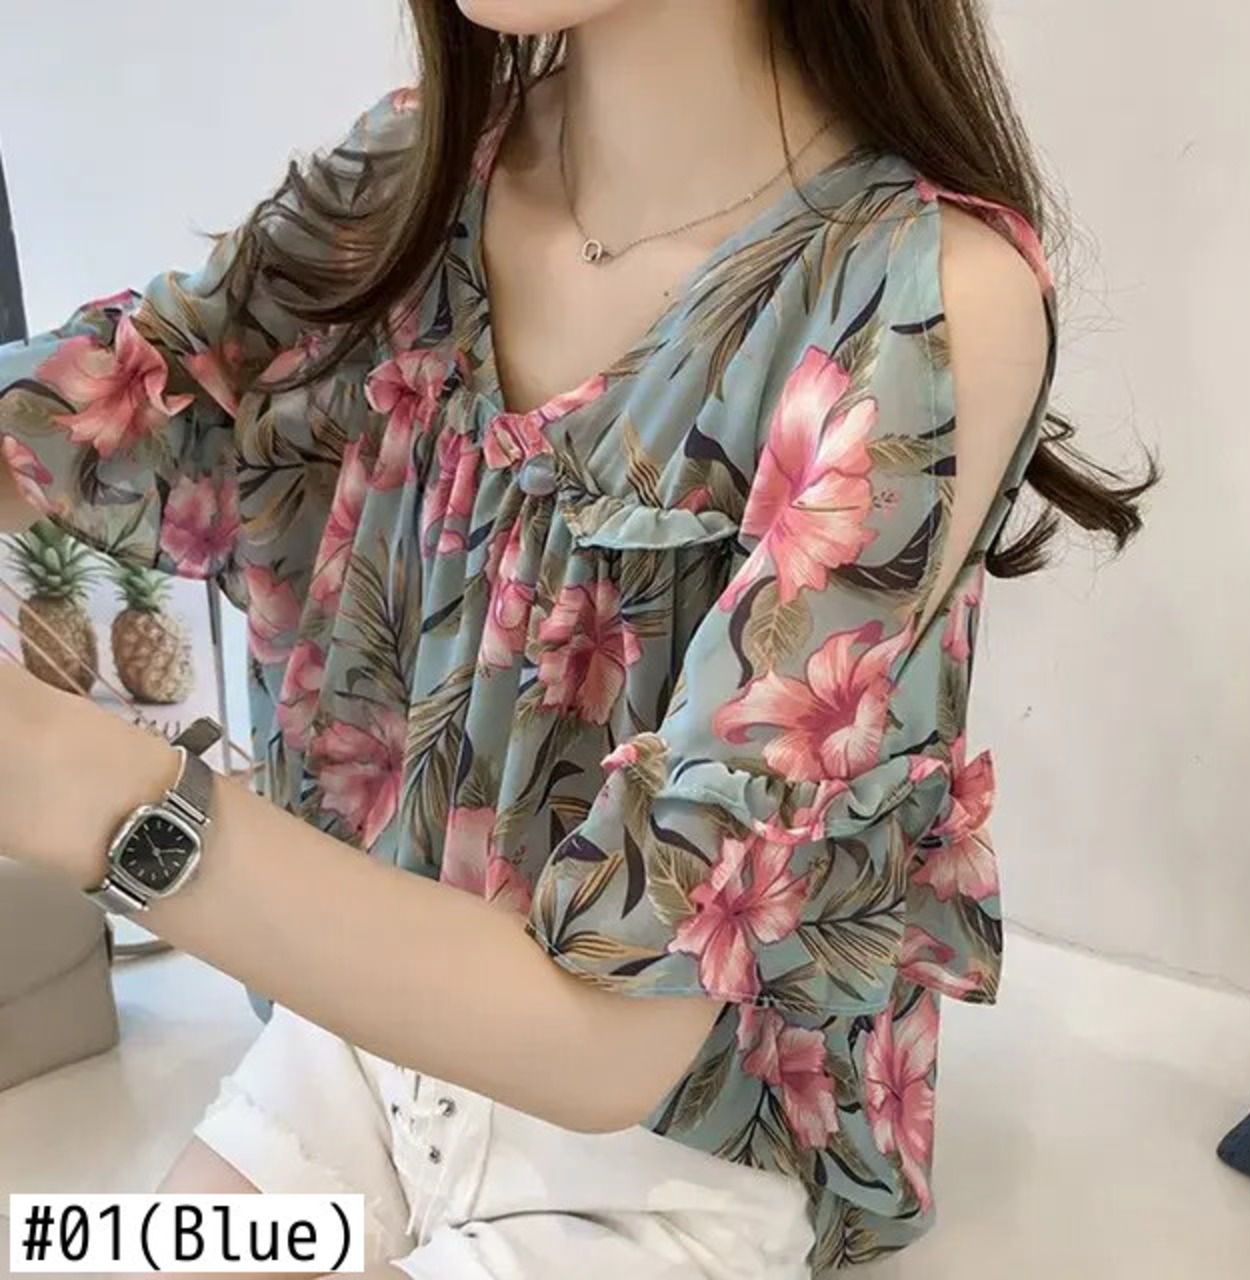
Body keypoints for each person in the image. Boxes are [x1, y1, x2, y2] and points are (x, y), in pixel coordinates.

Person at [0, 2, 1152, 1277]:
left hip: (669, 1158)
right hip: (357, 1048)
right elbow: (129, 388)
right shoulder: (420, 173)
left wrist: (75, 781)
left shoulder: (918, 303)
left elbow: (615, 1036)